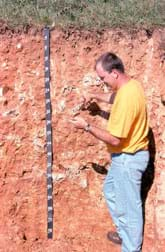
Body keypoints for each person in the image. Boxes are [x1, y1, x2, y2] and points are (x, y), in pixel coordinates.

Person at [70, 52, 149, 252]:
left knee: (130, 208)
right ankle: (124, 234)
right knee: (111, 191)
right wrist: (95, 95)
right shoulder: (131, 86)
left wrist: (86, 126)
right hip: (124, 157)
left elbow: (115, 139)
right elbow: (115, 97)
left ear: (114, 73)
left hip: (128, 159)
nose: (102, 82)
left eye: (103, 78)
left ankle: (131, 248)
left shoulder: (126, 100)